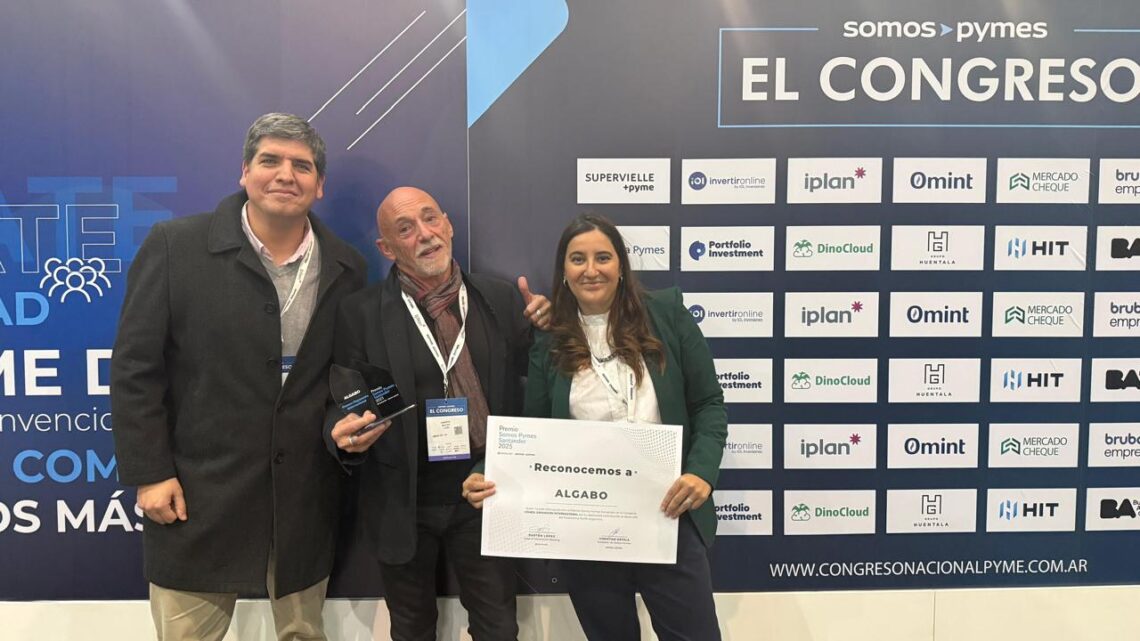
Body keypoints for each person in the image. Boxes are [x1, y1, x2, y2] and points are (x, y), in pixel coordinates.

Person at [111, 113, 367, 640]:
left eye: (302, 166)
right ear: (244, 172)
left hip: (303, 498)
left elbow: (343, 375)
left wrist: (343, 424)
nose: (285, 175)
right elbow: (135, 369)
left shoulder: (347, 266)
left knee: (303, 633)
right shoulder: (176, 246)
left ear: (320, 185)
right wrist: (149, 473)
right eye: (270, 160)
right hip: (198, 494)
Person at [463, 212, 727, 641]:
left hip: (668, 514)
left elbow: (708, 404)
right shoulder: (550, 341)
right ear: (564, 272)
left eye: (603, 257)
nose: (591, 270)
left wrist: (701, 472)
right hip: (586, 529)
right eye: (578, 259)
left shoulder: (667, 315)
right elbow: (534, 430)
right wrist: (487, 473)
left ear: (621, 266)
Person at [325, 186, 551, 641]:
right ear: (387, 248)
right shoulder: (360, 313)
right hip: (404, 496)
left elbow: (539, 386)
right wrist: (342, 430)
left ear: (447, 224)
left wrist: (548, 330)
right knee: (411, 628)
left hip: (486, 488)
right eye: (405, 229)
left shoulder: (500, 299)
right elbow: (345, 396)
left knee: (498, 627)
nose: (425, 234)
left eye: (430, 219)